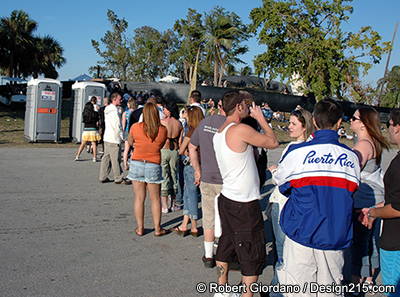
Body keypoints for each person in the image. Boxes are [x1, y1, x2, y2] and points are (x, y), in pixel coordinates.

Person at [273, 99, 360, 297]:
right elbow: (351, 190)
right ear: (339, 123)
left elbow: (283, 185)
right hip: (334, 236)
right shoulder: (352, 157)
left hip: (301, 232)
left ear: (314, 120)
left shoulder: (297, 152)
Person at [213, 91, 279, 297]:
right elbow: (273, 142)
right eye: (246, 105)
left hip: (228, 197)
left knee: (227, 242)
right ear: (239, 107)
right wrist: (262, 119)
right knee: (251, 251)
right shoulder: (239, 129)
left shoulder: (220, 131)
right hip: (244, 201)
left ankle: (221, 288)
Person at [267, 108, 314, 292]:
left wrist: (275, 171)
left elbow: (282, 178)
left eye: (294, 124)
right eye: (290, 123)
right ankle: (278, 284)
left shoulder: (298, 148)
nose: (289, 127)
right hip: (286, 200)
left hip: (285, 201)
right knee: (285, 248)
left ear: (305, 127)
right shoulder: (298, 146)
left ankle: (278, 288)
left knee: (282, 248)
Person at [360, 109, 400, 297]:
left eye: (389, 125)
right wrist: (377, 207)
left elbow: (398, 207)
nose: (388, 130)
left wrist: (373, 213)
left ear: (397, 127)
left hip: (396, 241)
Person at [349, 107, 389, 288]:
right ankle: (370, 278)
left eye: (354, 118)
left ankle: (358, 280)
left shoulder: (363, 145)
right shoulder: (372, 142)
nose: (351, 121)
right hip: (374, 198)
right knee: (371, 241)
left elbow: (351, 172)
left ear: (364, 123)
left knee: (360, 242)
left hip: (363, 201)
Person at [189, 100, 226, 268]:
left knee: (209, 216)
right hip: (226, 179)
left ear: (219, 106)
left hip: (207, 177)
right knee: (226, 218)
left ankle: (208, 255)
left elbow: (191, 147)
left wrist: (197, 169)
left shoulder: (204, 123)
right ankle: (224, 252)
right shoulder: (232, 126)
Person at [127, 102, 169, 237]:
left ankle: (140, 228)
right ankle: (157, 228)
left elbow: (130, 141)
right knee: (155, 198)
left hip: (137, 162)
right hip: (153, 163)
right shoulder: (162, 130)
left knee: (139, 198)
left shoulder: (135, 127)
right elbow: (161, 145)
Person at [172, 106, 204, 236]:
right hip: (201, 163)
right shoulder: (202, 129)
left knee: (190, 194)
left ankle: (194, 225)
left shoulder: (191, 131)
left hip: (190, 164)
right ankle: (185, 223)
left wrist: (182, 150)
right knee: (188, 193)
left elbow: (181, 149)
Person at [160, 101, 182, 213]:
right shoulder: (179, 123)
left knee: (164, 177)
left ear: (169, 110)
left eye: (164, 109)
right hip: (175, 151)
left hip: (164, 149)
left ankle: (164, 205)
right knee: (174, 176)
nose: (163, 111)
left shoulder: (162, 122)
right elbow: (180, 140)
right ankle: (174, 204)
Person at [99, 92, 124, 184]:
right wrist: (121, 136)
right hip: (114, 137)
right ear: (114, 99)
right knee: (115, 159)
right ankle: (118, 177)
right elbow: (117, 125)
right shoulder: (114, 111)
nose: (121, 100)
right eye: (119, 99)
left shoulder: (107, 109)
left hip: (107, 136)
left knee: (106, 157)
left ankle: (103, 176)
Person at [122, 98, 136, 170]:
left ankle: (125, 164)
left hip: (127, 132)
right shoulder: (136, 112)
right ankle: (133, 163)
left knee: (126, 149)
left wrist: (123, 133)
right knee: (134, 149)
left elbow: (123, 125)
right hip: (135, 132)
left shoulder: (125, 113)